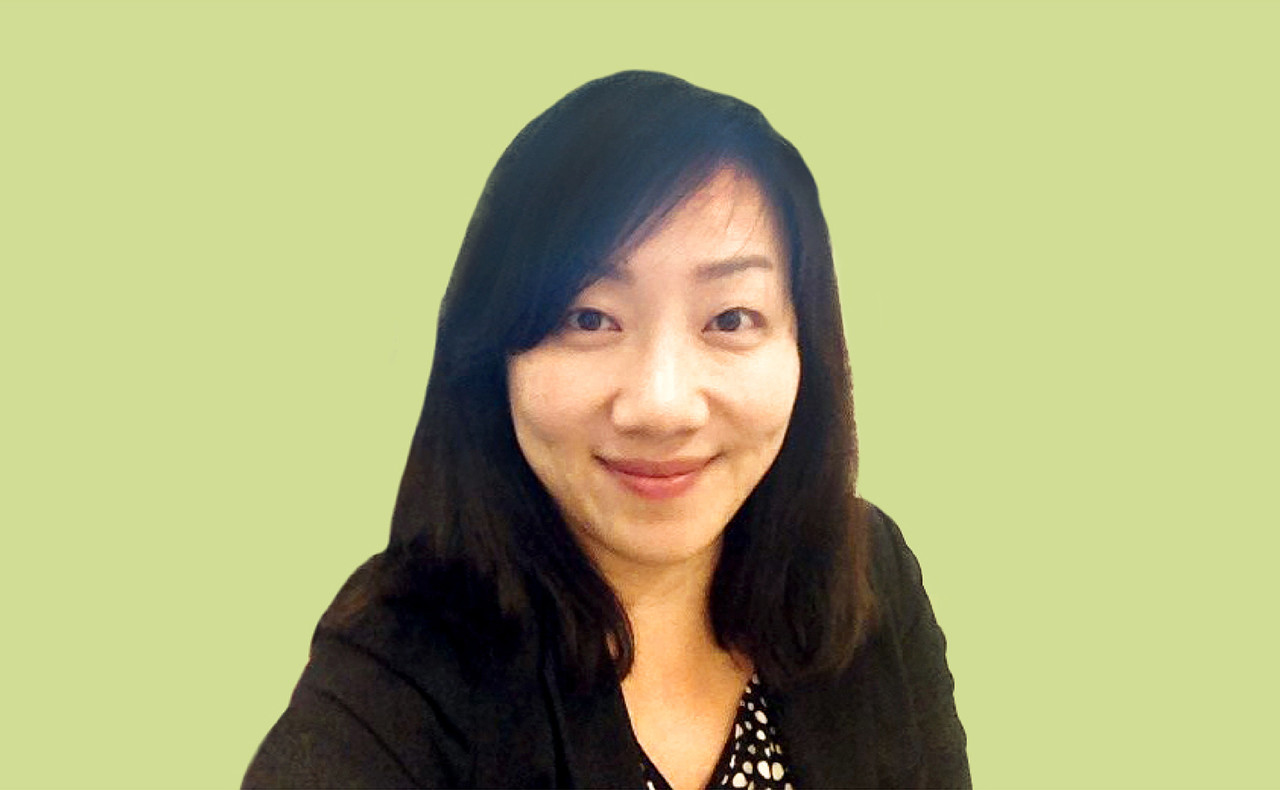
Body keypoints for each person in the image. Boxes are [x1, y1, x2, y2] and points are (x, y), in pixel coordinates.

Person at [243, 70, 969, 789]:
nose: (661, 406)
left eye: (730, 318)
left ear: (805, 344)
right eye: (589, 318)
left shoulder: (865, 572)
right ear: (495, 353)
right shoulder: (404, 658)